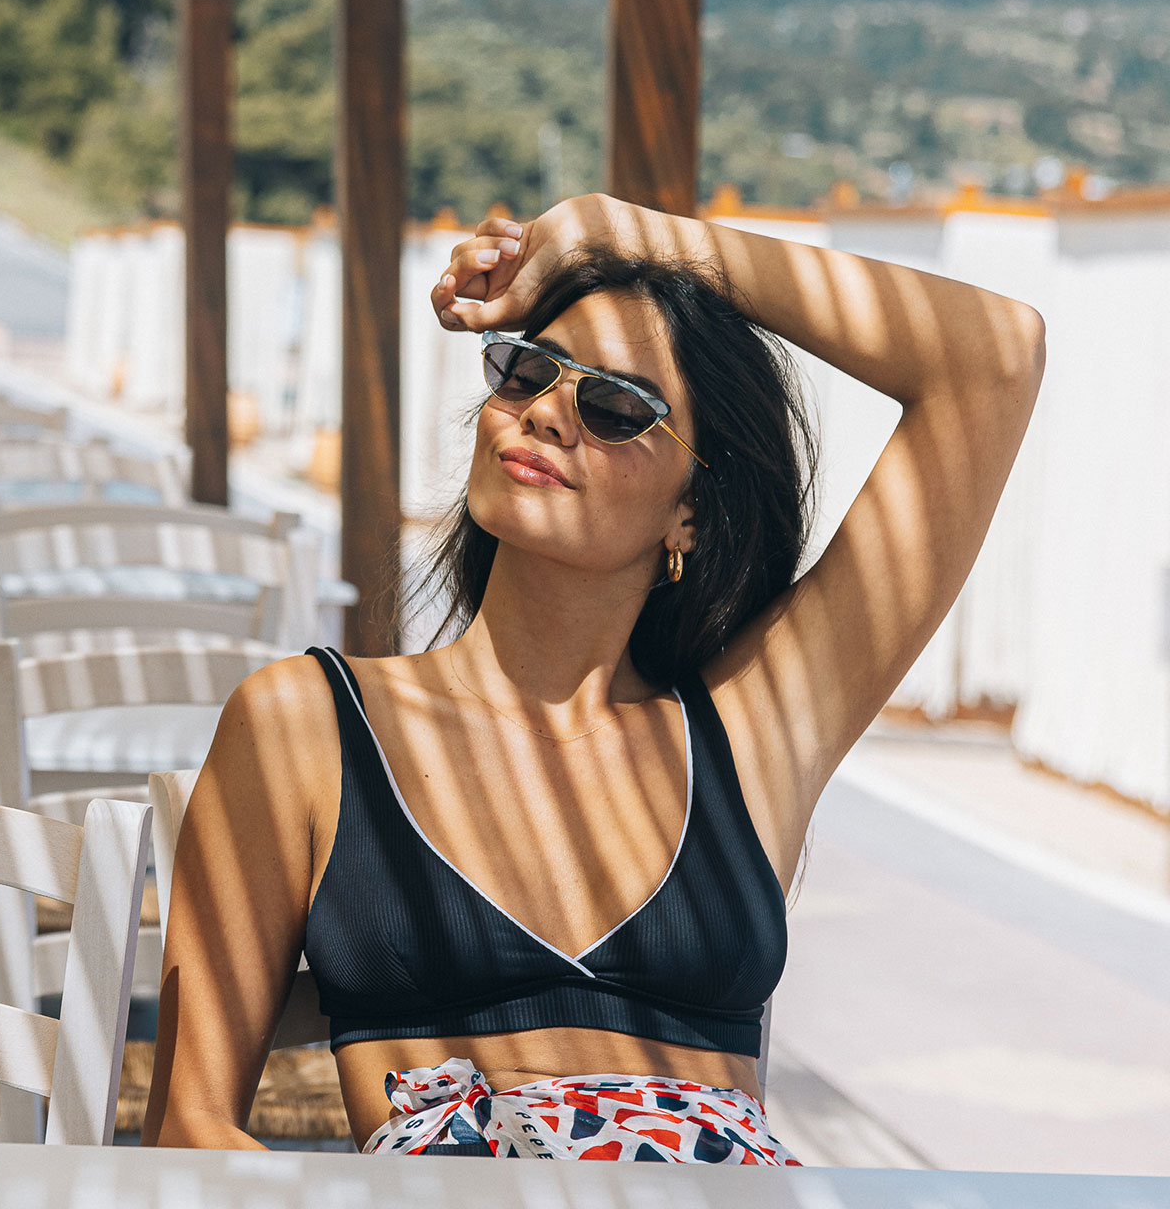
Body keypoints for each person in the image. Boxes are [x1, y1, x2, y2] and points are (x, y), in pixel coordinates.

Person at [145, 194, 1044, 1162]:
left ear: (689, 516)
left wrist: (616, 232)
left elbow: (992, 358)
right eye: (528, 370)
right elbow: (189, 1127)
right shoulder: (310, 724)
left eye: (618, 407)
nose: (547, 410)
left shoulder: (747, 732)